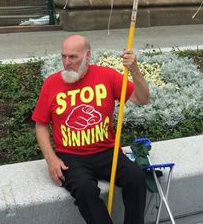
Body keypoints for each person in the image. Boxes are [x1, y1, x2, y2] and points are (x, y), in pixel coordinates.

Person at [32, 35, 150, 224]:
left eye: (73, 57)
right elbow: (40, 124)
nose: (66, 63)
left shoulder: (106, 76)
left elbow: (142, 99)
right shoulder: (52, 83)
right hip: (71, 156)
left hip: (107, 151)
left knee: (136, 178)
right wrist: (51, 159)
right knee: (85, 191)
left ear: (87, 56)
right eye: (63, 57)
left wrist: (134, 70)